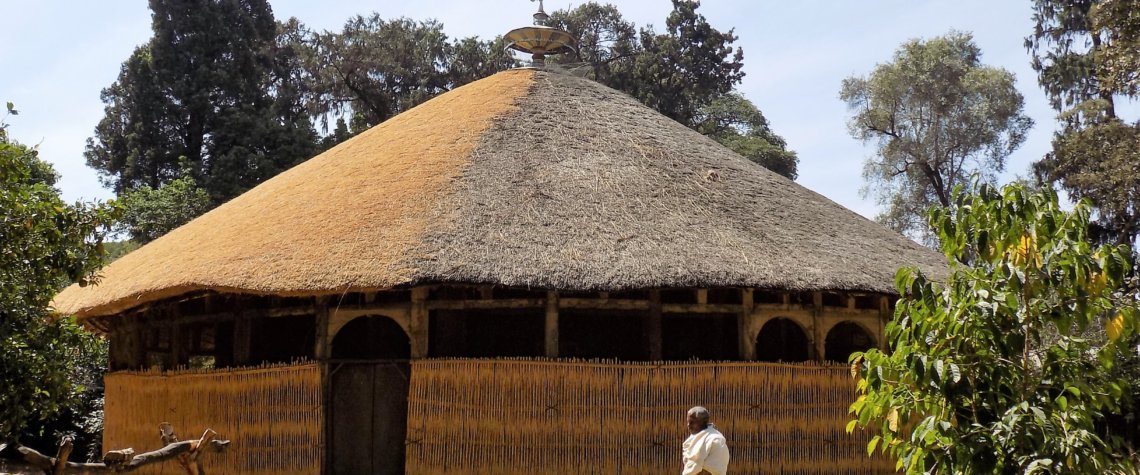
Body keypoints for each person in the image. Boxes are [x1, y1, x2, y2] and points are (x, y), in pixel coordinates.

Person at [682, 406, 730, 475]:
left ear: (701, 423)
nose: (688, 425)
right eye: (688, 422)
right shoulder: (698, 437)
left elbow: (695, 467)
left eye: (692, 422)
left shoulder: (712, 440)